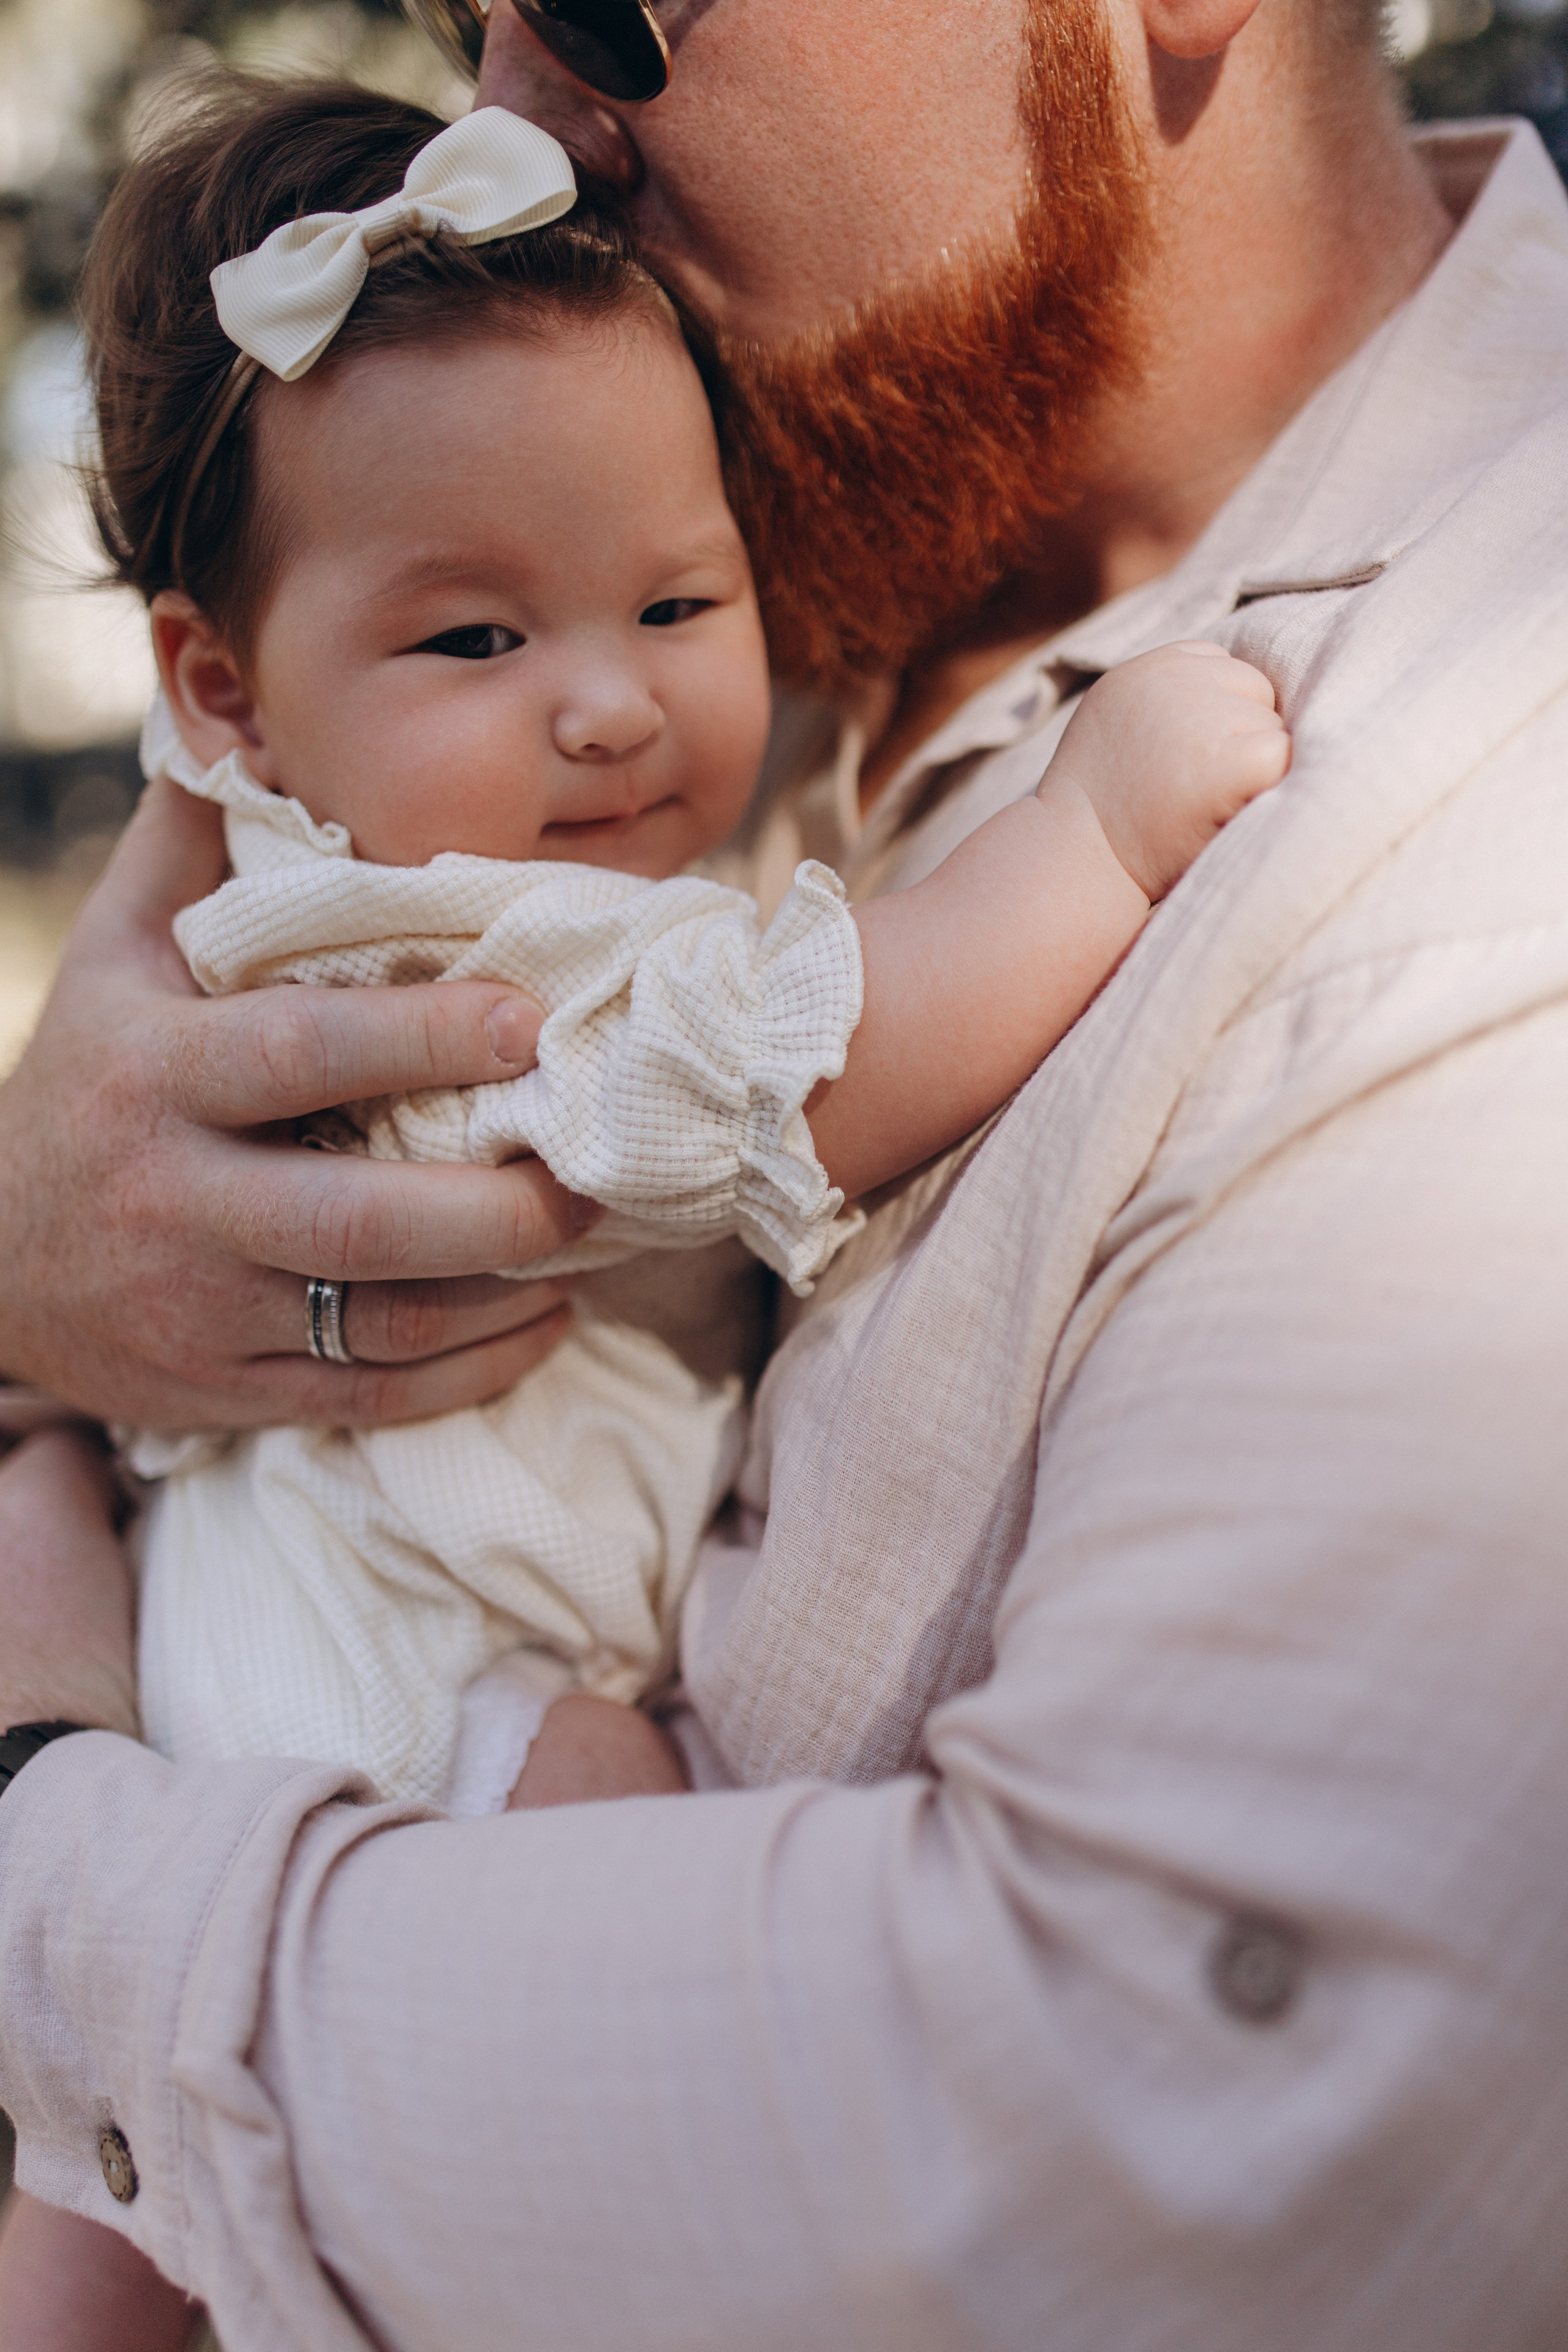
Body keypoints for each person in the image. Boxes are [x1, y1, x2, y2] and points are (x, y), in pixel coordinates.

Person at [4, 0, 1568, 2345]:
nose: (515, 116)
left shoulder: (1485, 826)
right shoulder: (683, 557)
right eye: (466, 17)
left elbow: (1137, 2164)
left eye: (615, 2)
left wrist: (42, 1829)